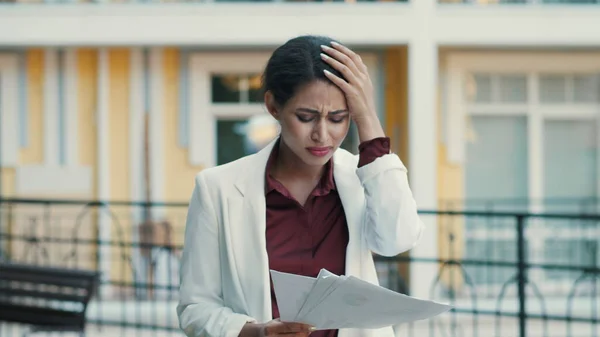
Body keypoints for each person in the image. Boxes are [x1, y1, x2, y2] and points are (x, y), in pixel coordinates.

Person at [177, 35, 424, 337]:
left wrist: (368, 118)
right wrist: (257, 332)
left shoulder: (364, 176)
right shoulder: (217, 189)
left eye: (338, 118)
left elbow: (398, 239)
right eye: (306, 117)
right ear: (273, 106)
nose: (322, 135)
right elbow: (195, 308)